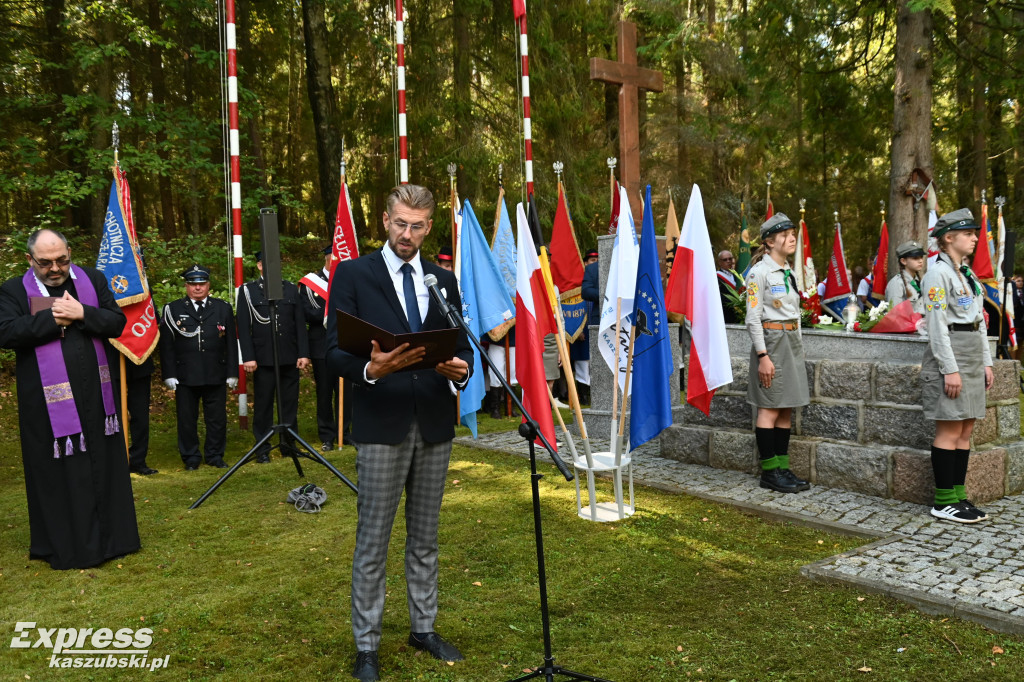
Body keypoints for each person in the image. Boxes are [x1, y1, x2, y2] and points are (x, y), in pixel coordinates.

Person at [325, 184, 472, 682]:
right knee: (374, 540)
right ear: (385, 221)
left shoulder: (442, 280)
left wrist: (462, 370)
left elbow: (461, 345)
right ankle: (367, 645)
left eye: (417, 226)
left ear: (430, 226)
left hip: (433, 420)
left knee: (425, 537)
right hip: (380, 422)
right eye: (399, 224)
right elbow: (332, 351)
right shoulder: (353, 274)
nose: (407, 234)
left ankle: (422, 628)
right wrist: (373, 369)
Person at [0, 228, 140, 569]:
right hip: (47, 406)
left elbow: (116, 322)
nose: (55, 268)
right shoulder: (14, 289)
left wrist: (82, 314)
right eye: (46, 262)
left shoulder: (92, 279)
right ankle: (67, 547)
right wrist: (50, 318)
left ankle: (114, 540)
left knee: (104, 465)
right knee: (60, 472)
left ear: (70, 253)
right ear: (29, 260)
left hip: (98, 397)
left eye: (62, 259)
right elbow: (6, 332)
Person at [920, 208, 994, 524]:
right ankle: (943, 500)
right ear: (948, 238)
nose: (975, 238)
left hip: (972, 353)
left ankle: (958, 495)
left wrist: (987, 362)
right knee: (950, 426)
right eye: (968, 233)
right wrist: (949, 368)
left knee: (966, 427)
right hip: (952, 351)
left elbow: (978, 322)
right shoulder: (937, 274)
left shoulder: (966, 273)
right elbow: (937, 325)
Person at [744, 214, 811, 494]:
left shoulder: (789, 272)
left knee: (786, 408)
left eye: (793, 232)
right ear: (770, 241)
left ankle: (782, 467)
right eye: (784, 234)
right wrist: (763, 356)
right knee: (769, 407)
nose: (792, 237)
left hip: (790, 341)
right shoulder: (759, 272)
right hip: (771, 342)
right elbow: (752, 317)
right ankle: (770, 471)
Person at [160, 264, 238, 470]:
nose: (197, 288)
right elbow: (166, 345)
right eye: (193, 284)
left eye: (201, 284)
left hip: (216, 372)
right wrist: (169, 373)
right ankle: (191, 457)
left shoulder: (223, 308)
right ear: (186, 286)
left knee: (217, 419)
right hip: (186, 373)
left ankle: (214, 455)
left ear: (208, 285)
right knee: (187, 419)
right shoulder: (172, 309)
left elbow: (231, 343)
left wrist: (232, 372)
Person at [237, 252, 310, 463]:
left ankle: (289, 445)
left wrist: (303, 352)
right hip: (263, 358)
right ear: (260, 266)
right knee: (263, 405)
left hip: (289, 355)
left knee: (289, 403)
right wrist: (248, 357)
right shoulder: (249, 291)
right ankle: (262, 447)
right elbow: (243, 326)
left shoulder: (289, 289)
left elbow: (299, 323)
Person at [299, 246, 345, 450]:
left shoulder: (346, 280)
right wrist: (334, 315)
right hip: (321, 346)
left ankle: (346, 431)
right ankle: (327, 435)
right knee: (325, 392)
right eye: (332, 260)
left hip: (345, 345)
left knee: (346, 392)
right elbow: (309, 313)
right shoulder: (310, 283)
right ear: (326, 260)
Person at [125, 354, 158, 475]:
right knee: (114, 418)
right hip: (113, 363)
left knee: (141, 416)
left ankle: (138, 460)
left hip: (140, 360)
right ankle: (117, 460)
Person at [885, 241, 926, 314]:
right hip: (906, 324)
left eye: (921, 257)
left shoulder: (919, 281)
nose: (920, 261)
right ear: (903, 261)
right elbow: (895, 314)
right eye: (915, 258)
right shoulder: (897, 284)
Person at [717, 249, 745, 323]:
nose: (728, 261)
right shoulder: (716, 277)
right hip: (725, 314)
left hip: (740, 315)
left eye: (730, 258)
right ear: (720, 262)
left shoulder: (737, 275)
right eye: (725, 260)